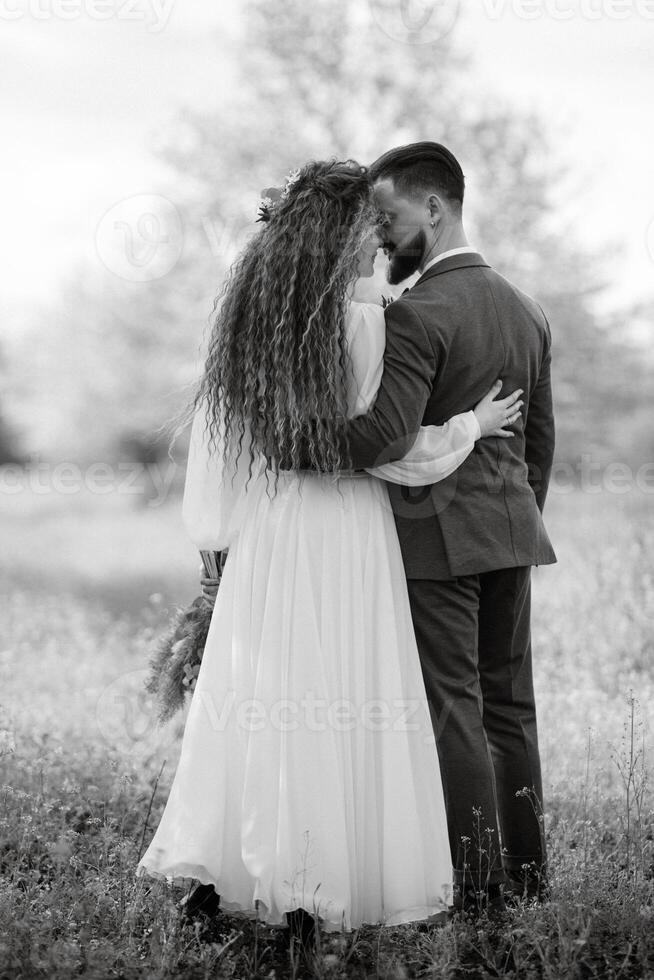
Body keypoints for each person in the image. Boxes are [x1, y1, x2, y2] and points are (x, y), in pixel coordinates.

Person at [136, 159, 523, 937]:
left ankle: (233, 873)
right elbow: (387, 451)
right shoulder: (376, 323)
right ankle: (325, 881)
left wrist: (215, 549)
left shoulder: (248, 327)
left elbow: (220, 453)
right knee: (348, 699)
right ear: (344, 240)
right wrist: (471, 429)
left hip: (272, 532)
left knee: (260, 700)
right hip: (350, 531)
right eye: (369, 231)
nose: (379, 242)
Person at [296, 143, 557, 910]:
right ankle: (531, 878)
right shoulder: (527, 307)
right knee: (511, 708)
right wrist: (517, 515)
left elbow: (380, 435)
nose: (380, 234)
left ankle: (478, 887)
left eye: (391, 215)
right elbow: (540, 442)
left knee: (455, 709)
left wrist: (287, 444)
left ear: (435, 209)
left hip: (438, 538)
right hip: (512, 534)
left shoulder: (418, 313)